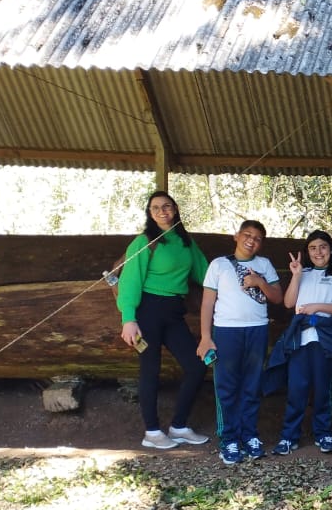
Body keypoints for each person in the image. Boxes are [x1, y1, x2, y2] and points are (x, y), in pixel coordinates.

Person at [116, 191, 211, 450]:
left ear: (175, 209)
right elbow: (130, 281)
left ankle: (179, 426)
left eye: (166, 206)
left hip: (173, 311)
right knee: (150, 370)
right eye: (155, 208)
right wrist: (128, 319)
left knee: (196, 366)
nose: (162, 211)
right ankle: (152, 432)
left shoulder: (186, 242)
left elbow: (206, 276)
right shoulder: (145, 241)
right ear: (149, 213)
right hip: (147, 311)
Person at [197, 220, 283, 465]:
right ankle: (229, 439)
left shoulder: (263, 265)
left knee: (252, 384)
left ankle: (249, 435)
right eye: (247, 235)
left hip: (257, 329)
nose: (251, 240)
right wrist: (205, 337)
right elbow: (207, 303)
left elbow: (276, 297)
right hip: (226, 331)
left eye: (257, 238)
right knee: (227, 385)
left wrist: (260, 283)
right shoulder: (219, 265)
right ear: (236, 236)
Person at [271, 230, 332, 455]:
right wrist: (296, 275)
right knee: (297, 388)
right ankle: (289, 436)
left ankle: (323, 433)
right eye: (313, 248)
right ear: (307, 251)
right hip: (300, 338)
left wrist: (317, 307)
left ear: (330, 250)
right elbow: (288, 302)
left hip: (325, 338)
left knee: (323, 388)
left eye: (322, 247)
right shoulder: (304, 273)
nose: (318, 252)